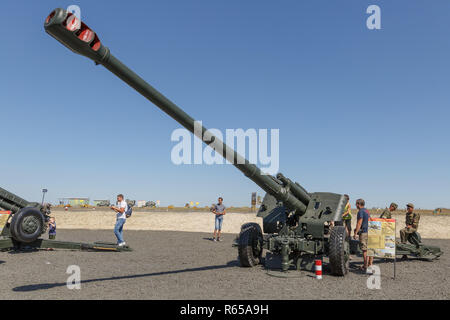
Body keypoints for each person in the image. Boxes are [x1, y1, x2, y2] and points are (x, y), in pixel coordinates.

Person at [353, 198, 372, 271]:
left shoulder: (360, 211)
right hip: (369, 231)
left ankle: (365, 266)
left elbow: (359, 222)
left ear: (358, 204)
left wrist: (355, 233)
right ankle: (370, 264)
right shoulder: (366, 211)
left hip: (364, 232)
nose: (355, 205)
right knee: (370, 249)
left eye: (356, 204)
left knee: (364, 250)